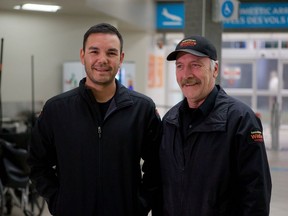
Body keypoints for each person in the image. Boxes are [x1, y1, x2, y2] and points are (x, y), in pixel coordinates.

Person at [28, 23, 162, 216]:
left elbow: (157, 166)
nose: (102, 59)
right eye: (94, 51)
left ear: (121, 58)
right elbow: (37, 163)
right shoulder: (56, 110)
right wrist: (59, 202)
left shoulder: (142, 109)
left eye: (111, 53)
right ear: (83, 56)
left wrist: (140, 204)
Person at [159, 35, 272, 216]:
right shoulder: (170, 121)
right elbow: (162, 188)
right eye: (180, 66)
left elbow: (256, 195)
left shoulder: (241, 120)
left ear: (215, 69)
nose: (186, 74)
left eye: (195, 65)